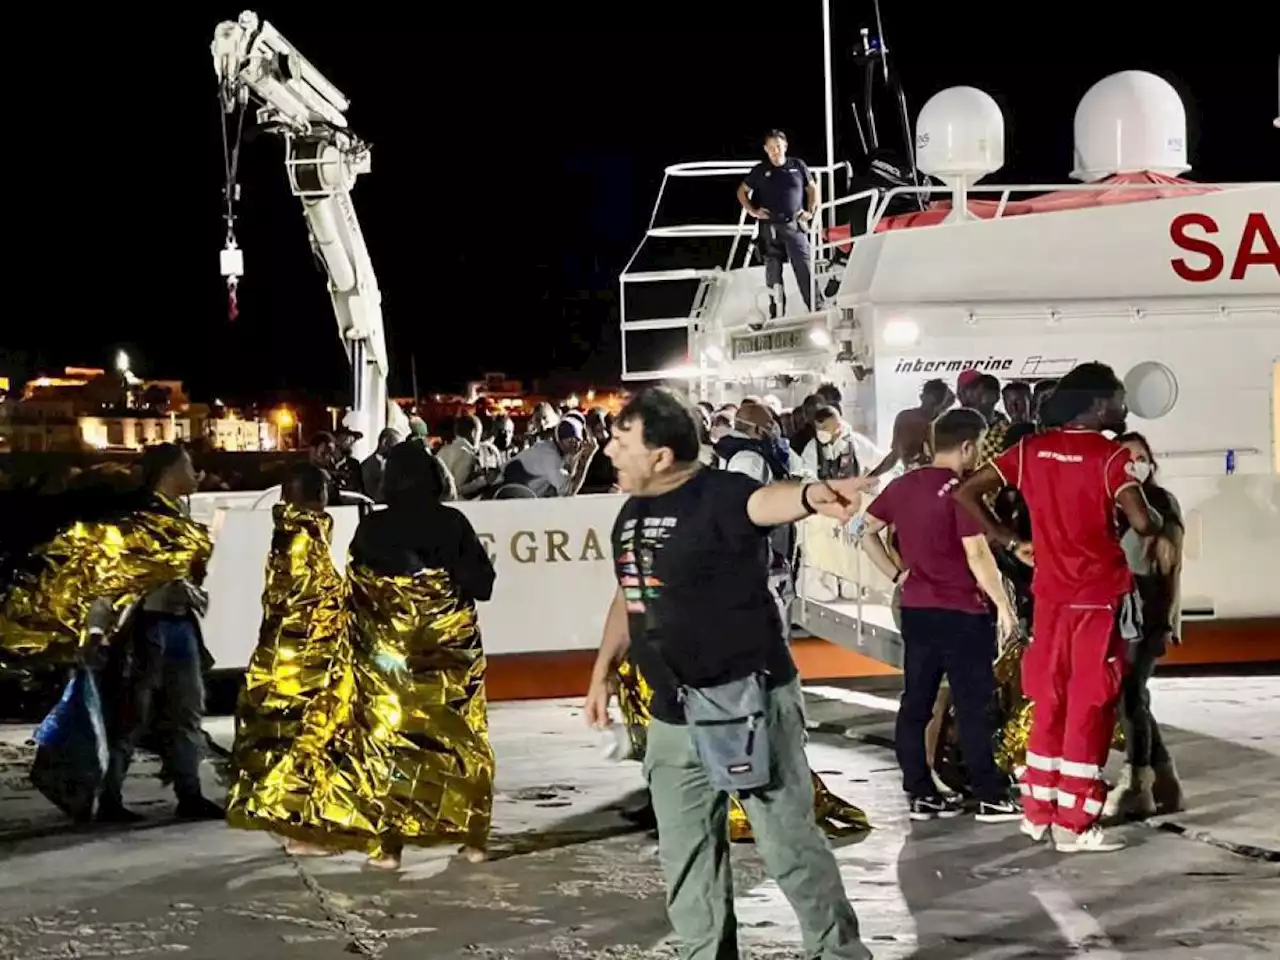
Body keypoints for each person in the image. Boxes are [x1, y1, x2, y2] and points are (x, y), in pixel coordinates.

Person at [584, 386, 873, 960]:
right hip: (672, 712)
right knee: (686, 852)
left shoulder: (720, 495)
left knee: (787, 841)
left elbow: (769, 502)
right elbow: (630, 593)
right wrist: (603, 670)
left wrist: (815, 494)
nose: (609, 452)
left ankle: (838, 952)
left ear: (661, 455)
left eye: (622, 443)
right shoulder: (631, 511)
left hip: (748, 702)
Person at [954, 362, 1162, 853]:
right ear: (1096, 405)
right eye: (1117, 399)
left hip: (1049, 594)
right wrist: (1142, 486)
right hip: (1096, 598)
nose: (1124, 407)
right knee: (1090, 702)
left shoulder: (1029, 451)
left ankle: (1038, 810)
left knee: (1049, 697)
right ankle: (1075, 823)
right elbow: (1145, 524)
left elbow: (967, 492)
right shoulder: (1112, 459)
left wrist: (1010, 540)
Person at [854, 409, 1023, 822]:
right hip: (963, 612)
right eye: (980, 447)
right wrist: (1004, 605)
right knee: (972, 703)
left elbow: (865, 530)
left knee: (916, 701)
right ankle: (989, 792)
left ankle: (920, 792)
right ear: (968, 446)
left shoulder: (902, 486)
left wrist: (896, 574)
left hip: (917, 610)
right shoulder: (962, 493)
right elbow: (977, 554)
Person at [346, 443, 497, 869]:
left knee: (389, 743)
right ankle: (474, 839)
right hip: (450, 656)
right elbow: (483, 585)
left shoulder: (371, 530)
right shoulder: (452, 524)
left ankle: (390, 846)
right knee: (462, 739)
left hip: (391, 660)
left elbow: (355, 598)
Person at [225, 463, 353, 855]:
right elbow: (311, 600)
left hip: (286, 657)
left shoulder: (290, 535)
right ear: (321, 495)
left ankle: (300, 824)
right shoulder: (302, 538)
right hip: (303, 663)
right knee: (308, 738)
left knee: (292, 740)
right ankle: (303, 830)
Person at [98, 444, 223, 822]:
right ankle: (109, 796)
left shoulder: (175, 515)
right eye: (188, 465)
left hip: (177, 622)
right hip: (147, 625)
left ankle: (189, 792)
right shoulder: (139, 518)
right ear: (168, 471)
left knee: (185, 710)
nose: (196, 472)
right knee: (133, 713)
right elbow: (117, 574)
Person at [1104, 432, 1185, 819]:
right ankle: (1165, 780)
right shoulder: (1111, 503)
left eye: (1141, 457)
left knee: (1129, 693)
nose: (1135, 463)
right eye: (1127, 457)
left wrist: (1169, 620)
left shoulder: (1161, 503)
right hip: (1116, 611)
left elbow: (1172, 566)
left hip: (1148, 611)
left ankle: (1137, 781)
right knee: (1132, 695)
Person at [737, 129, 819, 316]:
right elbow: (741, 191)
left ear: (786, 146)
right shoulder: (760, 170)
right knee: (773, 273)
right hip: (769, 229)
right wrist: (753, 211)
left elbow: (812, 187)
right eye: (772, 148)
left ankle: (816, 307)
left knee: (804, 268)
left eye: (779, 146)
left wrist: (810, 210)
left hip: (794, 225)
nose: (776, 151)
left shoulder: (798, 165)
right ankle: (776, 313)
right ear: (766, 149)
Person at [868, 378, 954, 477]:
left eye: (938, 402)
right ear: (922, 397)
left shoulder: (944, 423)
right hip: (914, 480)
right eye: (931, 403)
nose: (933, 409)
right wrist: (871, 477)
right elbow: (895, 455)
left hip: (938, 480)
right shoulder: (906, 419)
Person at [360, 428, 402, 503]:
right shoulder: (367, 466)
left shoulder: (395, 465)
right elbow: (372, 496)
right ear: (384, 442)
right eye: (396, 445)